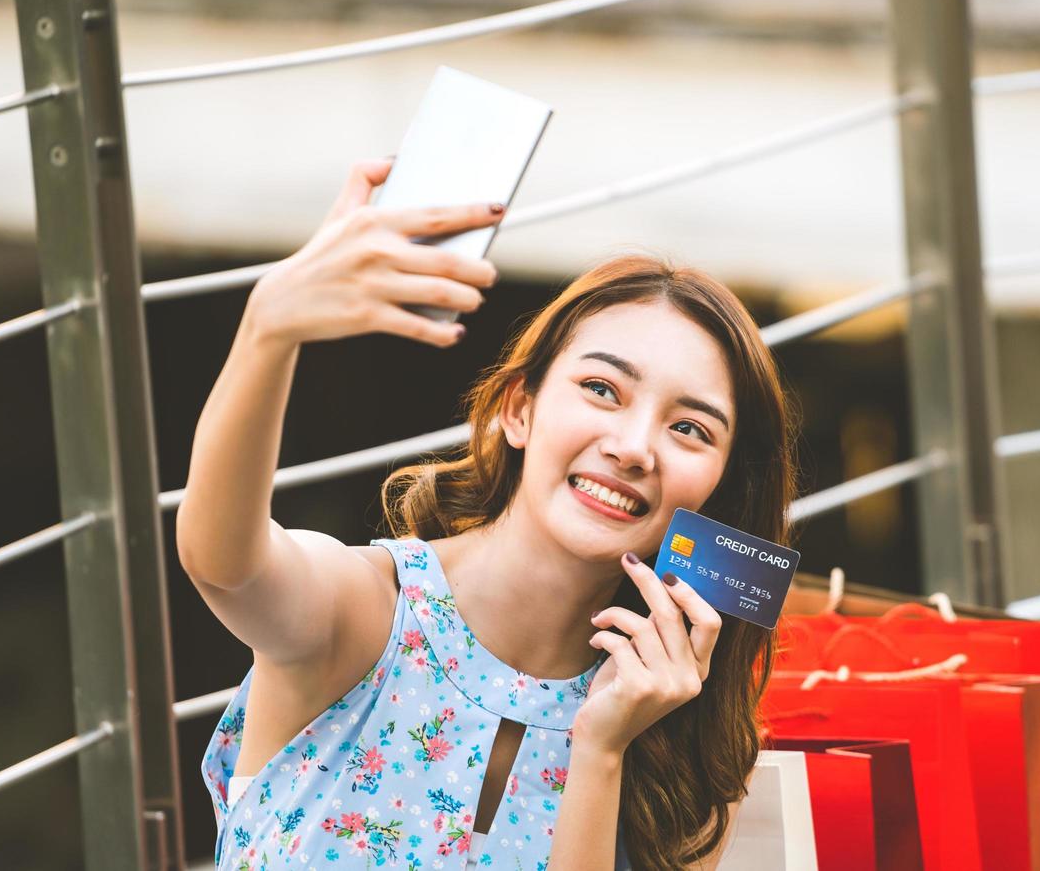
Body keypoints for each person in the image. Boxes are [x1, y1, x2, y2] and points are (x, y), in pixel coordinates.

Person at [178, 159, 799, 870]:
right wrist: (269, 328)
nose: (632, 448)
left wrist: (600, 750)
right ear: (518, 409)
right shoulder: (370, 609)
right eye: (601, 389)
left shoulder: (678, 738)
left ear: (717, 489)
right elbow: (223, 562)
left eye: (689, 429)